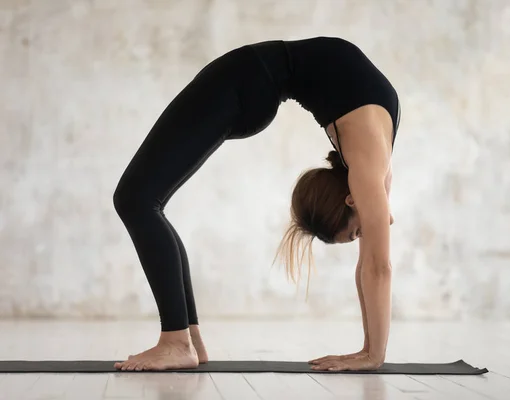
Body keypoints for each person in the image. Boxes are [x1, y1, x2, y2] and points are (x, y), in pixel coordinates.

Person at [112, 36, 400, 372]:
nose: (368, 230)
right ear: (351, 199)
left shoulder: (370, 167)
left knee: (140, 199)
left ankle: (180, 341)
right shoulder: (367, 170)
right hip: (244, 81)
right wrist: (374, 355)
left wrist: (369, 351)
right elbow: (378, 267)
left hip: (248, 82)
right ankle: (182, 340)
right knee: (138, 199)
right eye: (356, 233)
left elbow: (369, 264)